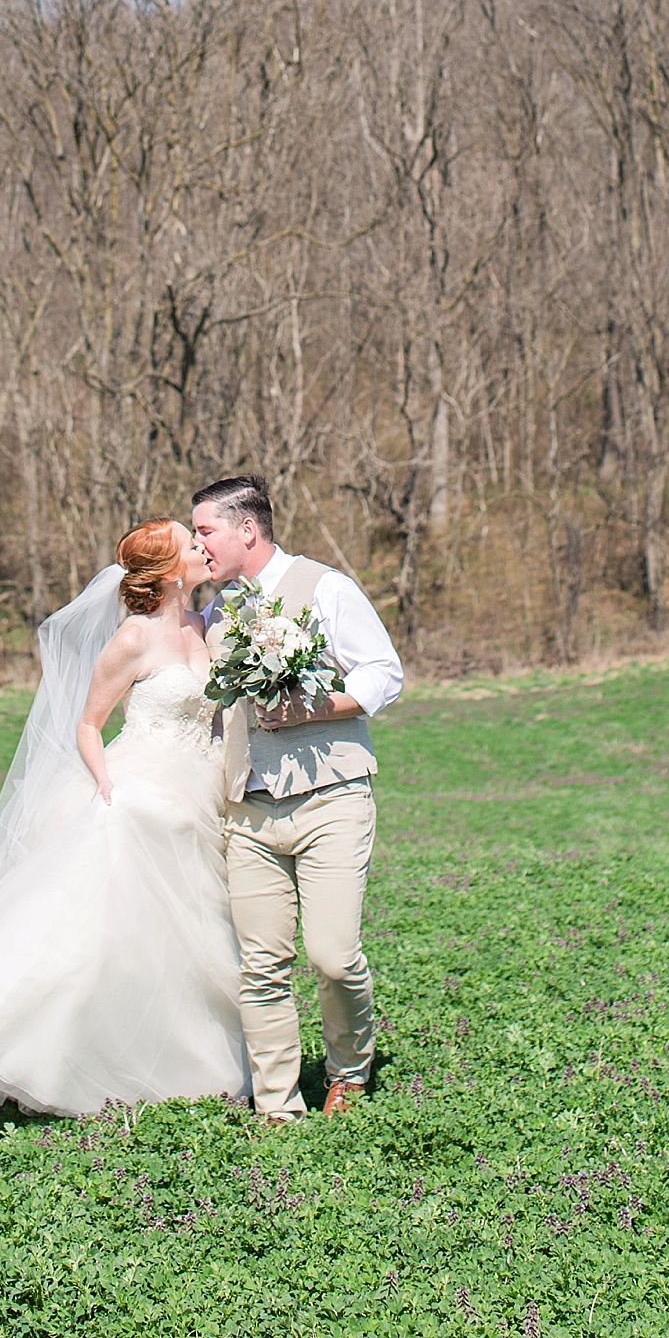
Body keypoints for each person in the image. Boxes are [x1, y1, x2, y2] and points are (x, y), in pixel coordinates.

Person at [0, 520, 249, 1116]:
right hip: (140, 794)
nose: (202, 548)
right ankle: (47, 1054)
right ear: (170, 571)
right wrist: (108, 784)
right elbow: (89, 723)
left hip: (202, 791)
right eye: (190, 544)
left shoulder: (208, 627)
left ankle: (185, 1060)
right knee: (105, 935)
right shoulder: (134, 639)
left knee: (192, 937)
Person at [191, 472, 404, 1122]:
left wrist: (307, 708)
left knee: (332, 957)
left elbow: (382, 675)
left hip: (331, 797)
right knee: (260, 967)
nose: (198, 545)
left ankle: (349, 1067)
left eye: (205, 531)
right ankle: (277, 1106)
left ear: (245, 530)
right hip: (248, 809)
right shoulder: (213, 611)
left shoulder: (325, 587)